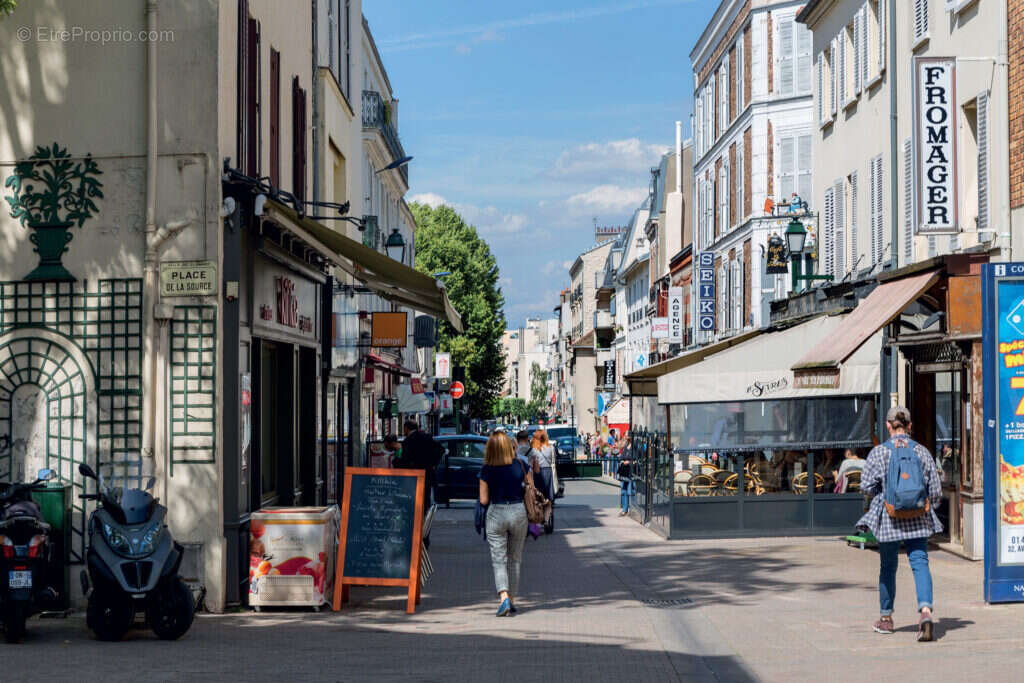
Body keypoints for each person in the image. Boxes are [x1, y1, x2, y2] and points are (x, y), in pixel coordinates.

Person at [857, 406, 942, 641]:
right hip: (918, 517)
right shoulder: (922, 452)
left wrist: (883, 495)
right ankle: (925, 612)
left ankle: (886, 619)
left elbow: (865, 486)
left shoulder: (879, 453)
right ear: (910, 426)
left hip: (890, 518)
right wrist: (925, 506)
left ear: (887, 425)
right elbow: (935, 491)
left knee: (888, 566)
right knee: (920, 562)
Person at [478, 432, 531, 616]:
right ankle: (513, 599)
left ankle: (504, 598)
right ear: (510, 447)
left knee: (498, 559)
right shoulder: (521, 465)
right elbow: (530, 488)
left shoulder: (486, 469)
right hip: (518, 511)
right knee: (515, 559)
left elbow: (483, 500)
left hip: (496, 513)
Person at [394, 419, 443, 517]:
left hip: (413, 475)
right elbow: (441, 449)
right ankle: (423, 518)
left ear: (406, 428)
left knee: (414, 499)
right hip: (426, 473)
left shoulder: (408, 441)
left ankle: (416, 519)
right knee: (425, 499)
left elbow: (405, 459)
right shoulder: (426, 437)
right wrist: (433, 464)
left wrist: (396, 462)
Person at [530, 430, 555, 502]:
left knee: (539, 489)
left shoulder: (533, 449)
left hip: (537, 470)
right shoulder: (550, 447)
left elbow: (531, 461)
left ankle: (540, 502)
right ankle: (548, 503)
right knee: (548, 489)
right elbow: (553, 460)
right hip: (548, 470)